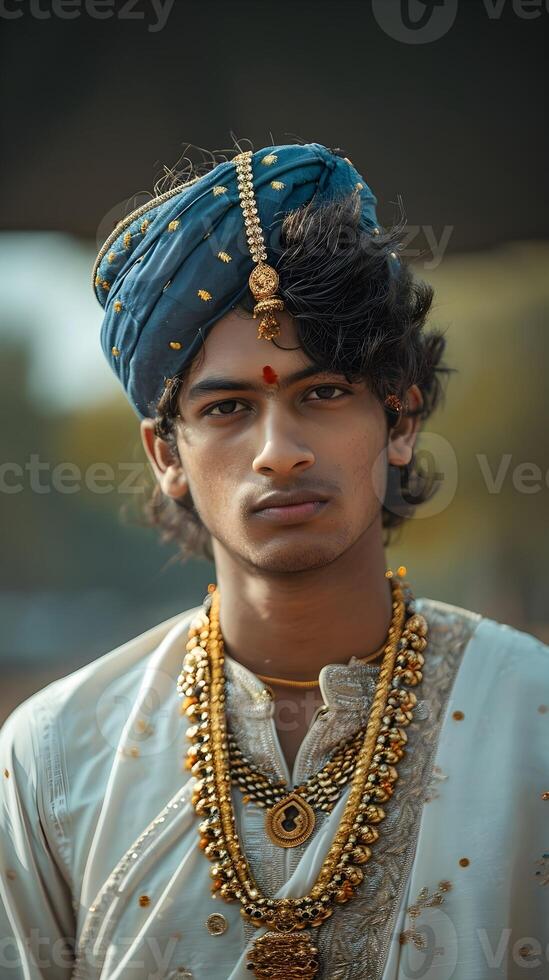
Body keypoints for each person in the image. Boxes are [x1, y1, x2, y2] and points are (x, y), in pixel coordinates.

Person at [0, 141, 547, 980]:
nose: (278, 452)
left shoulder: (531, 723)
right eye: (226, 407)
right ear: (164, 454)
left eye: (322, 394)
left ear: (399, 419)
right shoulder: (55, 759)